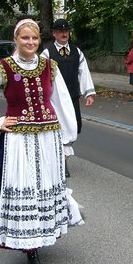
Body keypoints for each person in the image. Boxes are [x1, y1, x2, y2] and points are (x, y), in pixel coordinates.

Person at [0, 19, 78, 264]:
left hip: (48, 137)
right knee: (25, 185)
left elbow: (60, 103)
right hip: (19, 138)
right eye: (25, 38)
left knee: (44, 186)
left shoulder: (51, 67)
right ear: (16, 39)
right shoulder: (2, 68)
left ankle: (41, 233)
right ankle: (31, 250)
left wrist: (66, 139)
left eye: (35, 39)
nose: (30, 43)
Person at [40, 18, 96, 177]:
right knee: (57, 128)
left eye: (66, 31)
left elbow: (83, 72)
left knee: (74, 126)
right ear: (54, 34)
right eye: (60, 31)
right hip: (54, 99)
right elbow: (42, 76)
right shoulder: (47, 53)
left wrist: (89, 92)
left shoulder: (77, 51)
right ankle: (61, 161)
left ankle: (61, 157)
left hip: (72, 96)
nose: (64, 34)